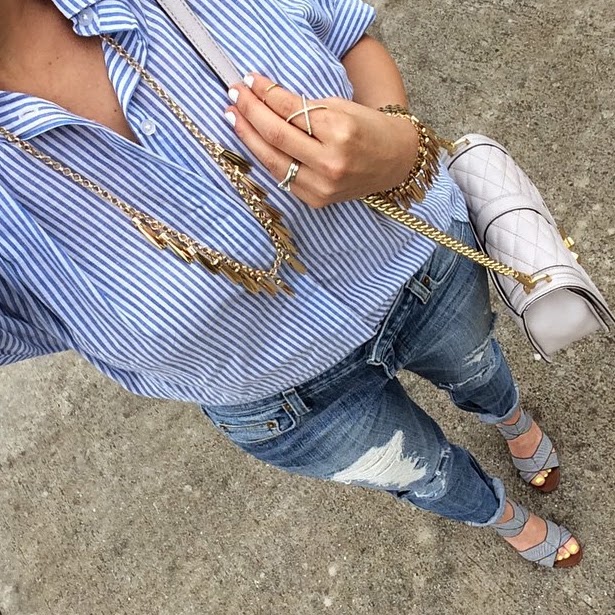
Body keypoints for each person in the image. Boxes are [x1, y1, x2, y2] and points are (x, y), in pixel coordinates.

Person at [0, 0, 581, 568]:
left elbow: (348, 32)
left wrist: (397, 141)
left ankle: (512, 420)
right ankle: (503, 518)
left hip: (420, 272)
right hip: (282, 401)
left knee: (479, 367)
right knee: (426, 474)